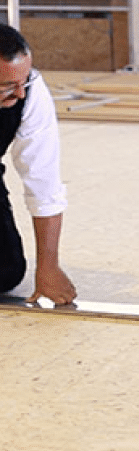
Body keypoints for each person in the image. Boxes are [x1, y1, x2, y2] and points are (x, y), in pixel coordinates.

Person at [0, 24, 76, 305]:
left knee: (5, 272)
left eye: (24, 82)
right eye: (7, 86)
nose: (19, 94)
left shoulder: (30, 92)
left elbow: (43, 181)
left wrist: (49, 265)